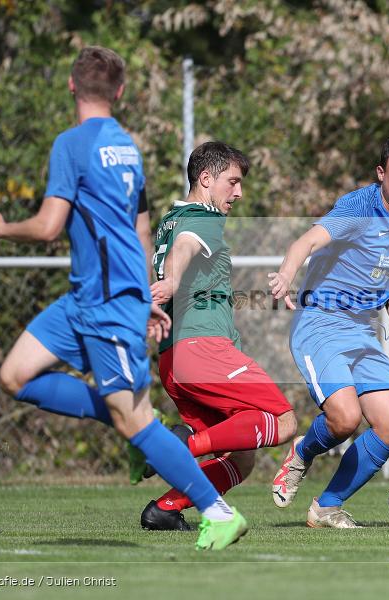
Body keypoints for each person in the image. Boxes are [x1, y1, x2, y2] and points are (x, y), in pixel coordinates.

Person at [0, 46, 247, 551]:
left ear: (71, 87)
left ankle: (217, 509)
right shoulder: (128, 146)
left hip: (106, 303)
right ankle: (136, 427)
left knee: (135, 417)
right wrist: (147, 293)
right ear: (120, 92)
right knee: (15, 375)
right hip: (86, 298)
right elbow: (141, 228)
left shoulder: (71, 144)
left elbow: (49, 226)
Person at [268, 133, 389, 528]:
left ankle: (327, 507)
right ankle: (302, 451)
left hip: (363, 330)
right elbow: (309, 240)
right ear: (381, 173)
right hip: (319, 323)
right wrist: (286, 274)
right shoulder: (358, 207)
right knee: (345, 419)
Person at [136, 141, 297, 531]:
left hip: (174, 358)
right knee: (283, 420)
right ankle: (178, 448)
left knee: (242, 459)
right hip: (203, 347)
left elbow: (174, 248)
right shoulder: (203, 219)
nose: (238, 193)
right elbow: (185, 250)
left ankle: (165, 510)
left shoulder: (172, 218)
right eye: (233, 182)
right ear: (206, 179)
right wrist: (172, 279)